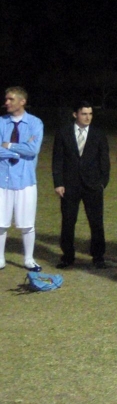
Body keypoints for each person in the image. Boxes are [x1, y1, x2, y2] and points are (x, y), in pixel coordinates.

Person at [53, 101, 110, 269]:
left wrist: (102, 183)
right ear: (75, 114)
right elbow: (57, 159)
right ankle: (68, 256)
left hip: (93, 186)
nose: (88, 117)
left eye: (90, 114)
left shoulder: (98, 134)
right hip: (69, 186)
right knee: (68, 221)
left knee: (96, 222)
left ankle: (98, 256)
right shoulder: (63, 133)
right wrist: (58, 183)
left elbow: (104, 161)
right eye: (84, 114)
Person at [0, 86, 44, 272]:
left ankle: (28, 259)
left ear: (22, 101)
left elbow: (32, 150)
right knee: (1, 223)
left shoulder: (35, 123)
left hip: (26, 181)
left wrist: (9, 146)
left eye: (10, 99)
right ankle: (0, 258)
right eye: (6, 99)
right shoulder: (1, 122)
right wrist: (19, 152)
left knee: (27, 223)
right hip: (3, 180)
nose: (6, 102)